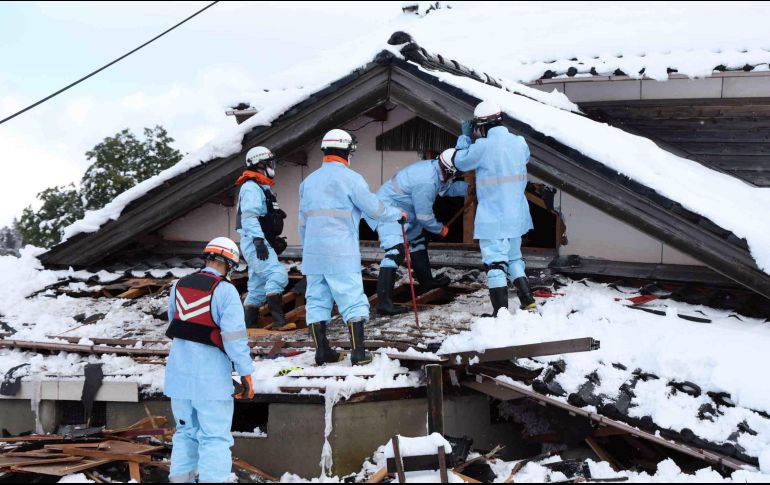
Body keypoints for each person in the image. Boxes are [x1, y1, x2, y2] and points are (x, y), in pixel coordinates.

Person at [299, 129, 407, 366]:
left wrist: (307, 251)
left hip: (313, 254)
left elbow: (303, 223)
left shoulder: (307, 182)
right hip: (341, 253)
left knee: (316, 301)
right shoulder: (351, 179)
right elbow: (374, 209)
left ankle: (322, 352)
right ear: (347, 151)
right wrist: (396, 215)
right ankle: (359, 353)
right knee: (352, 299)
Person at [164, 237, 255, 483]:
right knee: (214, 438)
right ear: (230, 264)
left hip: (178, 378)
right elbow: (234, 340)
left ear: (207, 257)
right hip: (211, 381)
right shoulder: (225, 291)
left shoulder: (179, 285)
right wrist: (245, 374)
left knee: (185, 434)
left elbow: (174, 323)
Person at [454, 100, 537, 316]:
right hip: (517, 215)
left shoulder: (482, 146)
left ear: (481, 126)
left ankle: (500, 312)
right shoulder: (519, 142)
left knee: (495, 265)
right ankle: (528, 302)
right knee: (514, 259)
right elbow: (523, 159)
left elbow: (460, 162)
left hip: (494, 217)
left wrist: (465, 137)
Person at [369, 148, 468, 315]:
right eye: (456, 174)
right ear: (450, 170)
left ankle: (427, 283)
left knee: (418, 241)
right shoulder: (427, 181)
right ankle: (384, 303)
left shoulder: (436, 169)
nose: (456, 176)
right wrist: (439, 229)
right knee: (395, 251)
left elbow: (445, 189)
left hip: (406, 209)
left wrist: (471, 188)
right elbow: (424, 216)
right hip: (388, 209)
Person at [236, 146, 290, 330]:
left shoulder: (261, 187)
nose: (272, 166)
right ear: (259, 164)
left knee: (257, 286)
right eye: (269, 163)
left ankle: (248, 326)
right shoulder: (251, 187)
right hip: (254, 241)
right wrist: (259, 241)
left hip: (258, 240)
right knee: (277, 274)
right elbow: (249, 217)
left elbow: (262, 217)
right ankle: (279, 322)